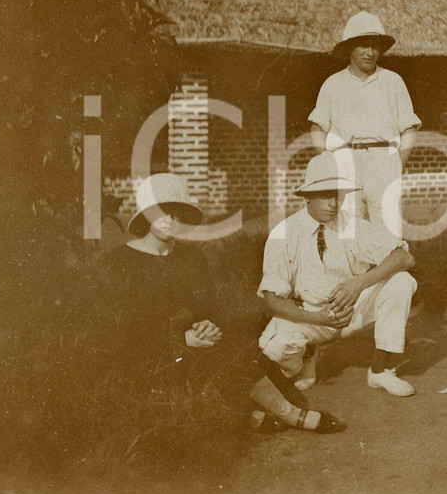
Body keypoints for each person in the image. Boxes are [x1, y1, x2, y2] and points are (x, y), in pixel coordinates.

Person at [100, 173, 344, 434]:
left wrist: (208, 325)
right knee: (208, 369)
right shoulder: (120, 263)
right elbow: (123, 328)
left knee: (235, 345)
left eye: (177, 213)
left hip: (198, 342)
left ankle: (264, 414)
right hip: (151, 351)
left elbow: (208, 308)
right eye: (161, 211)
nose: (170, 220)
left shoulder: (191, 258)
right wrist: (180, 339)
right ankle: (286, 414)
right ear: (145, 215)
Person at [258, 152, 419, 398]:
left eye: (338, 194)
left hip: (352, 309)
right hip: (310, 315)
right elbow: (271, 301)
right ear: (307, 197)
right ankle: (303, 362)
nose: (334, 203)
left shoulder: (352, 225)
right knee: (275, 347)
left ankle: (380, 370)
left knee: (402, 281)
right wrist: (318, 318)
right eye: (325, 195)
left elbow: (404, 258)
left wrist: (359, 283)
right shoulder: (285, 233)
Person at [308, 11, 421, 237]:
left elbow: (409, 126)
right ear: (350, 48)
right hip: (345, 161)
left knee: (388, 229)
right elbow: (318, 127)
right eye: (363, 46)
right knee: (349, 229)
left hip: (384, 161)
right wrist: (328, 161)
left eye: (375, 46)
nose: (370, 52)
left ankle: (389, 272)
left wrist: (398, 161)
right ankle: (354, 273)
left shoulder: (393, 81)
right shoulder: (333, 84)